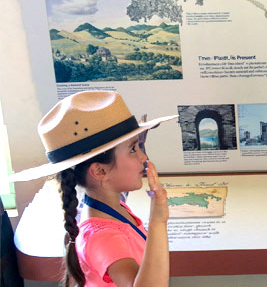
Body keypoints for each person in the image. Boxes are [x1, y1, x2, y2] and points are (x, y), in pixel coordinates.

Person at [9, 91, 177, 287]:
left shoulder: (115, 208)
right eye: (133, 149)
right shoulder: (102, 236)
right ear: (99, 170)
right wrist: (158, 219)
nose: (144, 158)